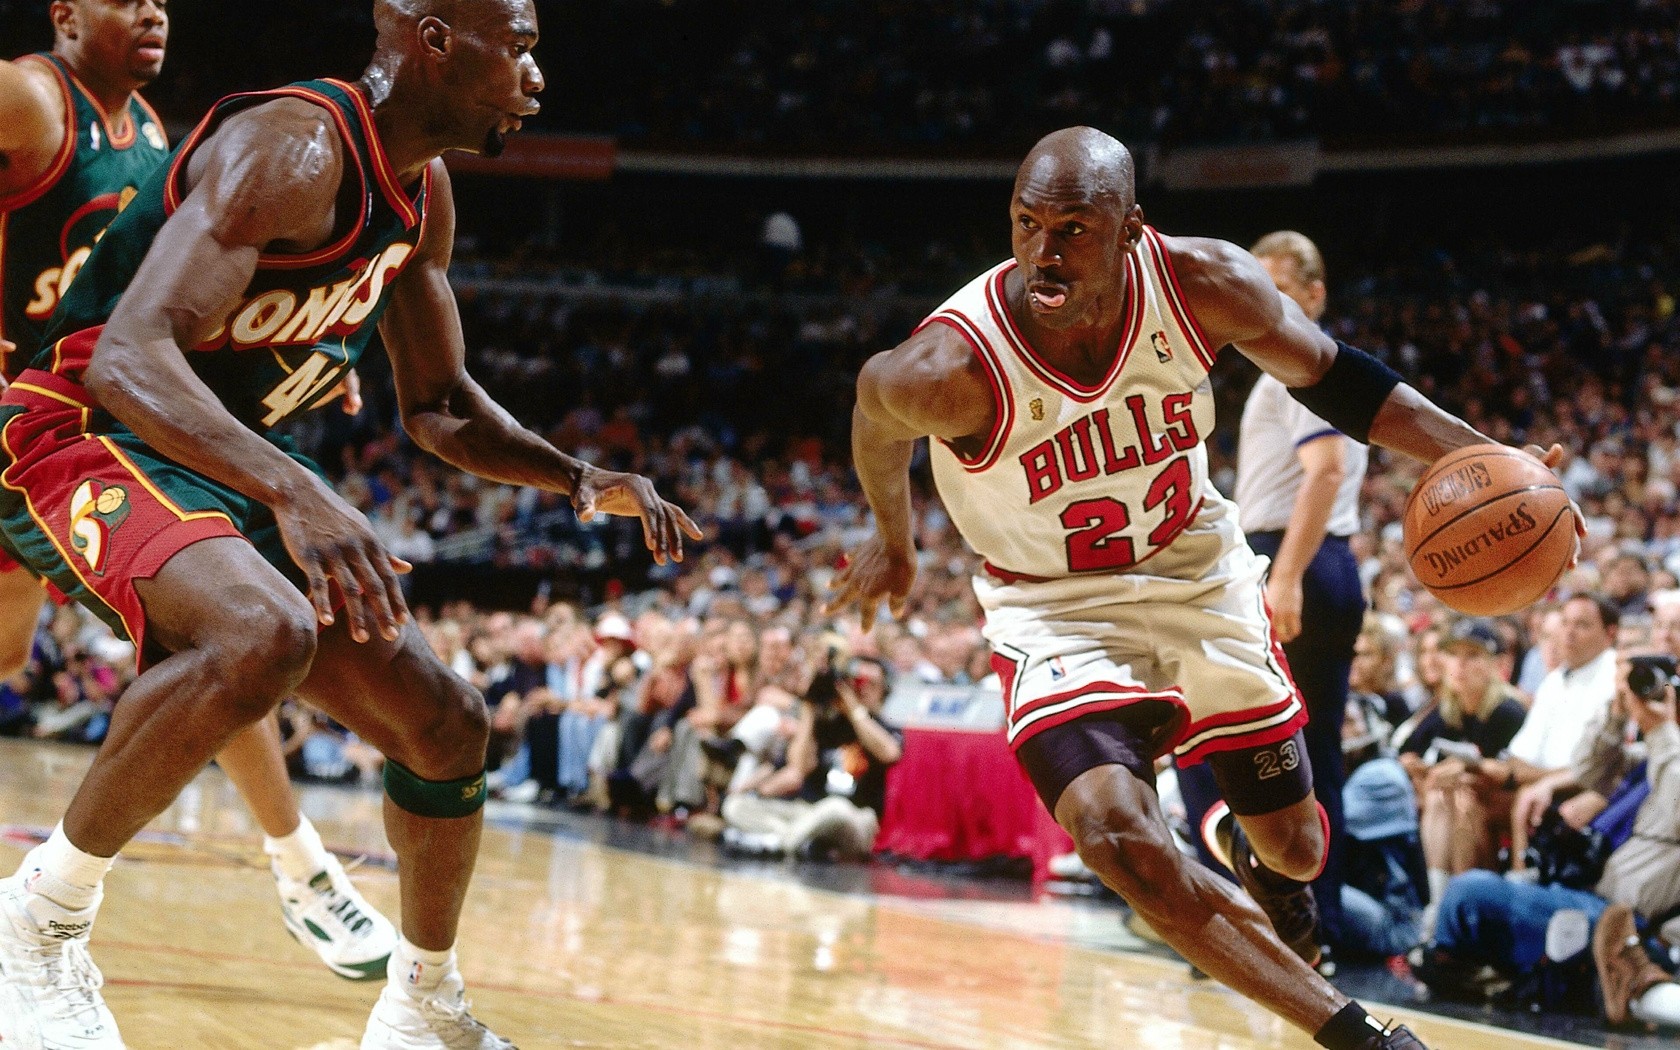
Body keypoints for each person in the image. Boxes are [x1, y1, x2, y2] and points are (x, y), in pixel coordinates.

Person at [0, 2, 699, 1046]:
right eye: (520, 47)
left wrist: (577, 475)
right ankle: (36, 925)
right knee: (261, 630)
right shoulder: (294, 146)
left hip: (218, 460)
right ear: (436, 41)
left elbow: (440, 404)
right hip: (84, 431)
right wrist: (297, 491)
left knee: (448, 725)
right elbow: (128, 357)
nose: (537, 76)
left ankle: (421, 1009)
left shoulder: (423, 191)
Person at [829, 126, 1570, 1050]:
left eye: (1074, 229)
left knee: (1296, 847)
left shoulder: (1202, 283)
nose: (1044, 252)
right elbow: (873, 417)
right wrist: (892, 539)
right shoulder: (950, 368)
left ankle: (1248, 853)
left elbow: (1338, 380)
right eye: (1026, 224)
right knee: (1116, 838)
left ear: (1132, 228)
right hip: (1054, 607)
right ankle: (1356, 1035)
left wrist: (1490, 458)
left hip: (1196, 570)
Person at [0, 0, 396, 987]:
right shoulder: (31, 99)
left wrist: (307, 345)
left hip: (88, 429)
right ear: (64, 13)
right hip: (33, 419)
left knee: (220, 629)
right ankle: (299, 870)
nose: (152, 11)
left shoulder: (149, 133)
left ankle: (301, 869)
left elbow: (180, 302)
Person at [1178, 229, 1367, 963]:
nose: (1259, 300)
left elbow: (1326, 469)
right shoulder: (1305, 366)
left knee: (1211, 738)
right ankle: (1314, 929)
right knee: (1310, 756)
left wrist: (1284, 576)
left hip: (1295, 558)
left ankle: (1273, 923)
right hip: (1315, 559)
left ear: (1314, 296)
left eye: (1278, 287)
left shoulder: (1301, 363)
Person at [719, 654, 901, 860]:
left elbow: (889, 753)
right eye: (856, 682)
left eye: (870, 683)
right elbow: (799, 767)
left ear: (885, 690)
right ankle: (797, 841)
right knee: (736, 806)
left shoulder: (886, 726)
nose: (861, 688)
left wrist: (853, 709)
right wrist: (809, 706)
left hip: (855, 817)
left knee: (836, 808)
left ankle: (777, 841)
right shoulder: (827, 724)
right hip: (810, 811)